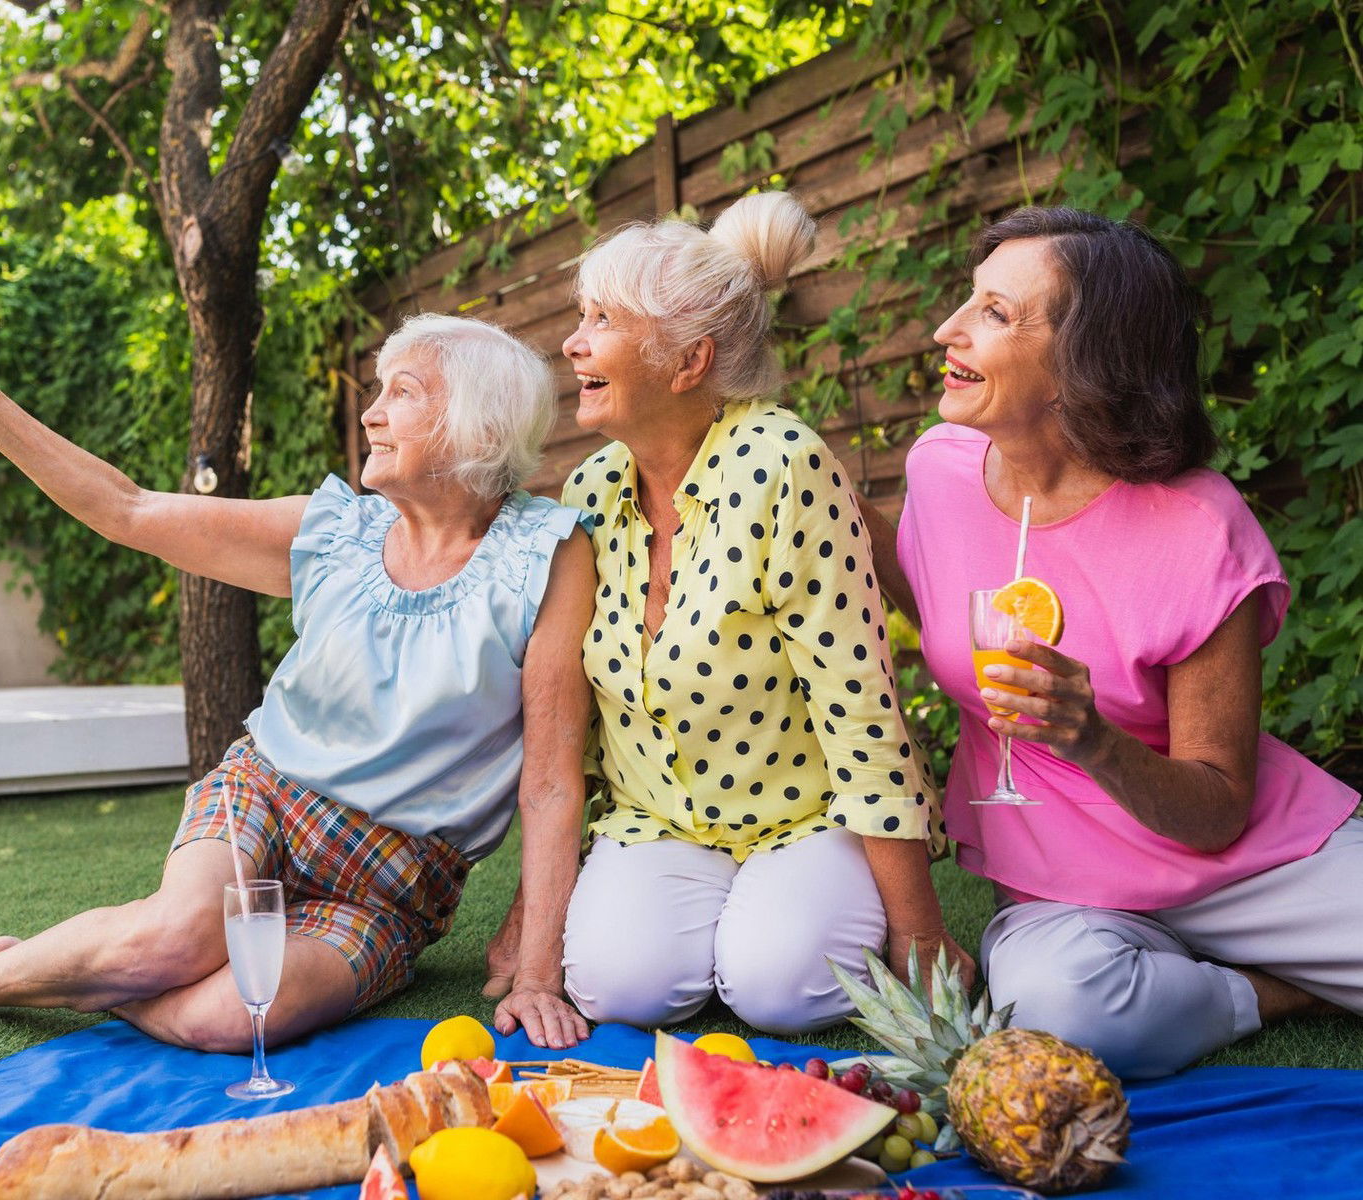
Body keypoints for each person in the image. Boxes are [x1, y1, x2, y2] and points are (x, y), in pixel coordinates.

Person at [0, 270, 595, 1051]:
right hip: (269, 795)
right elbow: (128, 509)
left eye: (403, 393)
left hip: (392, 884)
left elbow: (553, 779)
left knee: (229, 1015)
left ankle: (49, 967)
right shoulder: (334, 529)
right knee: (176, 939)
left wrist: (537, 975)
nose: (373, 415)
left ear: (479, 427)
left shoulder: (545, 556)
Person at [867, 206, 1362, 1078]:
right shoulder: (938, 470)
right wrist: (804, 476)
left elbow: (1218, 807)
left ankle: (1248, 964)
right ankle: (1273, 992)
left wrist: (1090, 738)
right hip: (1063, 881)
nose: (947, 330)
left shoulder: (1200, 524)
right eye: (966, 302)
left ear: (1084, 364)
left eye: (994, 313)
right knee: (1062, 1009)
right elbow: (925, 597)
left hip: (1246, 862)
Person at [486, 191, 967, 1037]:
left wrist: (920, 933)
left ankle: (758, 934)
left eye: (603, 319)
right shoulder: (591, 490)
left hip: (805, 816)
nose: (573, 340)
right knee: (613, 987)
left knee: (778, 990)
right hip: (657, 820)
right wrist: (535, 916)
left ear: (687, 362)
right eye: (580, 315)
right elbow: (574, 736)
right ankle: (717, 936)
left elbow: (860, 709)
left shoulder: (787, 463)